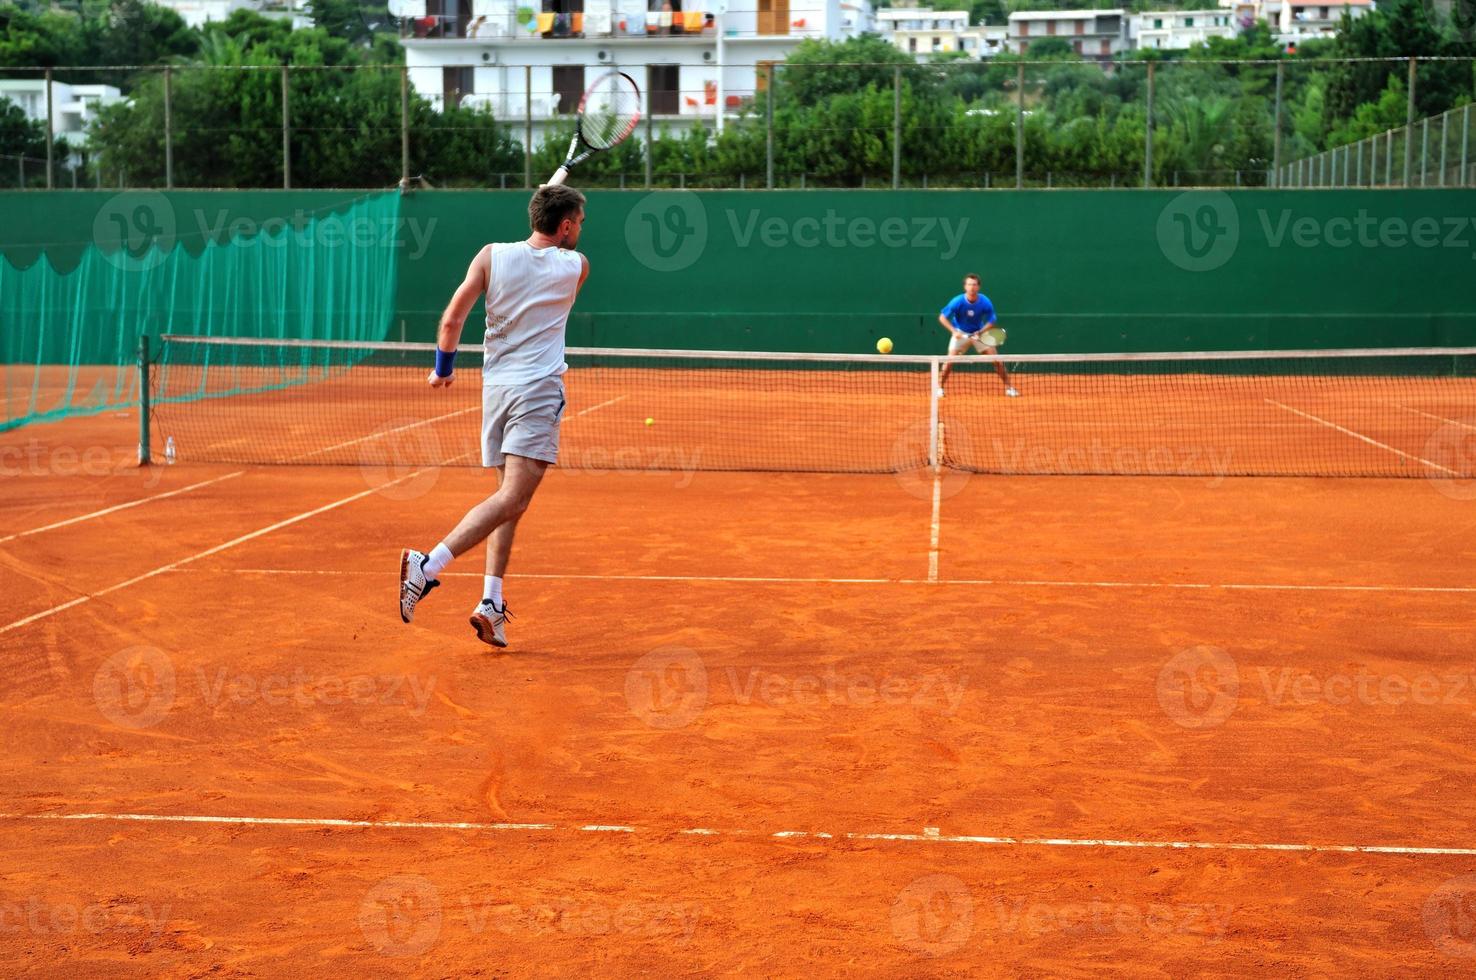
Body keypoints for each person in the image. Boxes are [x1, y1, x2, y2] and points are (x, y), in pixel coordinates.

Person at [398, 185, 590, 648]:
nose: (580, 230)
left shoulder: (490, 255)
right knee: (513, 500)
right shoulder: (576, 267)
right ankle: (427, 566)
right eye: (578, 223)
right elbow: (546, 257)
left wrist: (443, 369)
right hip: (537, 393)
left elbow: (451, 320)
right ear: (565, 226)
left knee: (509, 499)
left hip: (496, 393)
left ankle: (491, 602)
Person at [937, 273, 1017, 398]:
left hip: (978, 333)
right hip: (960, 333)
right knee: (949, 361)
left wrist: (981, 331)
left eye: (974, 285)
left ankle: (1009, 388)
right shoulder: (957, 301)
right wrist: (954, 331)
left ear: (978, 287)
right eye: (969, 284)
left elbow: (992, 319)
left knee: (996, 360)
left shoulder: (985, 302)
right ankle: (939, 388)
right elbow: (942, 317)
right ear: (965, 287)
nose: (972, 287)